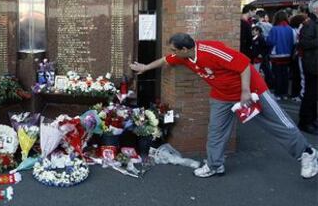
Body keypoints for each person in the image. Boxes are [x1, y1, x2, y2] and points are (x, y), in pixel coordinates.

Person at [130, 33, 317, 179]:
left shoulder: (211, 51)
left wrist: (245, 92)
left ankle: (307, 152)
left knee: (277, 122)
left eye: (174, 49)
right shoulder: (183, 56)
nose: (172, 52)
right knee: (216, 131)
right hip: (222, 95)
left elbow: (244, 64)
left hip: (252, 90)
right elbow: (165, 60)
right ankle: (215, 165)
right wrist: (145, 68)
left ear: (185, 49)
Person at [298, 0, 318, 135]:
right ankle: (305, 122)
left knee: (314, 94)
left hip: (314, 64)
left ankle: (312, 119)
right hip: (312, 65)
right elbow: (305, 43)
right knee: (310, 94)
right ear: (316, 10)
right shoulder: (310, 24)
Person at [267, 10, 295, 100]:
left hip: (276, 55)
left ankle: (278, 93)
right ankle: (284, 93)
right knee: (285, 74)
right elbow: (293, 42)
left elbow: (270, 41)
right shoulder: (290, 29)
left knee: (277, 74)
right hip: (287, 54)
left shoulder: (274, 28)